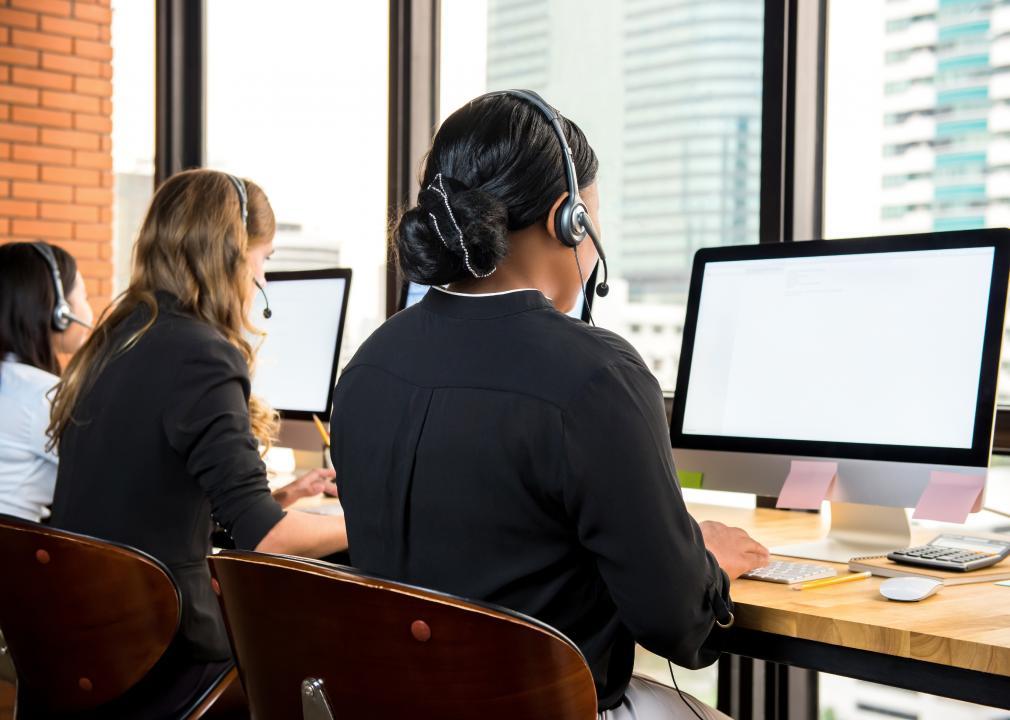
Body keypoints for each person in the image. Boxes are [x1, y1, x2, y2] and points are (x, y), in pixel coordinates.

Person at [330, 91, 769, 720]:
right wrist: (707, 566)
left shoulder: (366, 367)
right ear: (569, 220)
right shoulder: (597, 376)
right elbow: (675, 624)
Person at [47, 169, 347, 718]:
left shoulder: (119, 336)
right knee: (327, 646)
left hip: (85, 640)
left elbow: (144, 496)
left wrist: (273, 499)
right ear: (233, 254)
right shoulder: (201, 353)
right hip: (162, 648)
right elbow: (271, 543)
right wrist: (366, 523)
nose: (262, 278)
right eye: (265, 258)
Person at [0, 242, 93, 522]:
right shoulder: (44, 395)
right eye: (84, 297)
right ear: (60, 313)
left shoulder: (14, 381)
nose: (89, 310)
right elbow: (102, 474)